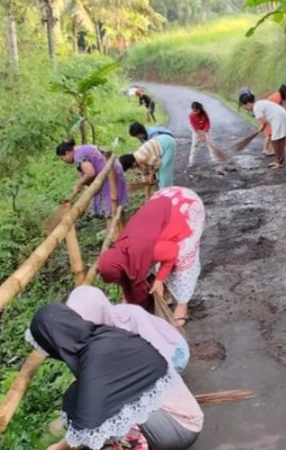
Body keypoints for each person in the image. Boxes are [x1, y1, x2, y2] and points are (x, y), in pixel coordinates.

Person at [26, 303, 203, 450]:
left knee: (104, 414)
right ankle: (129, 446)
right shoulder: (100, 339)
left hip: (179, 427)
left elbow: (92, 418)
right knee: (79, 395)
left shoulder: (96, 357)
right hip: (165, 413)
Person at [98, 186, 205, 326]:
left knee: (182, 261)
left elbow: (172, 252)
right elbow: (130, 278)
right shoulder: (122, 249)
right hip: (163, 204)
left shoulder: (149, 250)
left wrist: (159, 279)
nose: (120, 282)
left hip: (185, 208)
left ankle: (182, 306)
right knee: (152, 263)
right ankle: (164, 293)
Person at [55, 140, 127, 217]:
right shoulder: (83, 148)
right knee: (117, 209)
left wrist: (79, 184)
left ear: (67, 153)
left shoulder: (79, 156)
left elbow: (90, 173)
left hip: (108, 176)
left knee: (110, 213)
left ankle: (114, 228)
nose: (63, 161)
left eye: (62, 158)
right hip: (115, 170)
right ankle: (123, 228)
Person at [239, 90, 286, 170]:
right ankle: (279, 161)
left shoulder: (256, 108)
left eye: (244, 106)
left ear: (247, 103)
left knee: (275, 141)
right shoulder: (259, 103)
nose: (245, 108)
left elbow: (263, 122)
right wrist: (262, 127)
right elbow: (264, 123)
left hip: (278, 117)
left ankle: (279, 162)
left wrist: (261, 128)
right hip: (281, 114)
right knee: (279, 139)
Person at [263, 85, 286, 156]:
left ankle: (270, 148)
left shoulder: (279, 97)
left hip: (268, 114)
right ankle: (265, 149)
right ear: (285, 92)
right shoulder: (277, 98)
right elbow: (274, 110)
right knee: (270, 134)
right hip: (267, 115)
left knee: (271, 133)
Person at [188, 101, 214, 167]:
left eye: (196, 111)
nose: (195, 112)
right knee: (194, 146)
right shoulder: (191, 115)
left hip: (205, 130)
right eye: (193, 110)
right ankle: (191, 162)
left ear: (200, 109)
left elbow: (207, 122)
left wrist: (205, 131)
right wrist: (200, 135)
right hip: (196, 131)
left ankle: (215, 160)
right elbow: (195, 127)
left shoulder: (204, 114)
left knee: (211, 145)